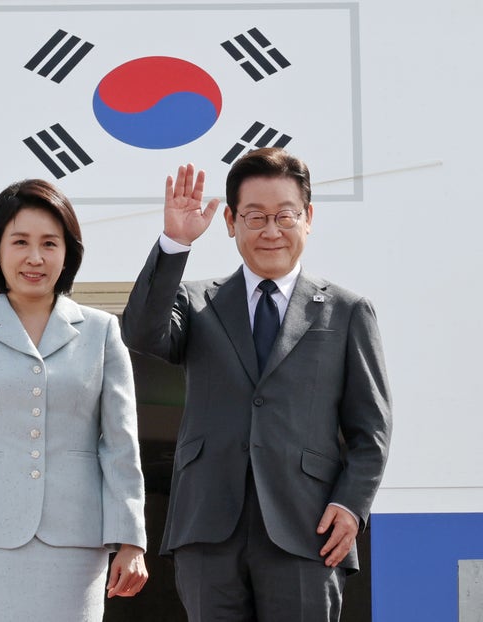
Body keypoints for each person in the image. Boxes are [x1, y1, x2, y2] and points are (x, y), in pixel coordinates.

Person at [121, 148, 392, 621]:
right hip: (208, 528)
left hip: (307, 529)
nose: (271, 230)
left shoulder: (347, 312)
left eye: (285, 215)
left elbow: (371, 430)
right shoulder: (196, 300)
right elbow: (142, 333)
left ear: (308, 218)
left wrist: (351, 505)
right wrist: (174, 243)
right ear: (230, 221)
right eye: (255, 216)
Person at [0, 178, 148, 621]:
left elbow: (121, 443)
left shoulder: (101, 331)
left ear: (67, 254)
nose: (35, 257)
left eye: (50, 243)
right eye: (20, 242)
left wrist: (132, 539)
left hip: (76, 545)